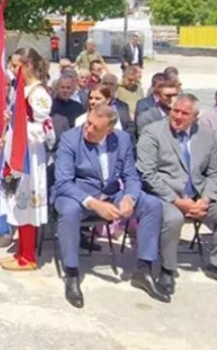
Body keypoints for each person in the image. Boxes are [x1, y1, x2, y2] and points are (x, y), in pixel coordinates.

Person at [53, 105, 168, 308]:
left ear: (109, 129)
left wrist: (129, 198)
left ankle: (144, 269)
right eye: (88, 123)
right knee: (69, 211)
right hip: (78, 194)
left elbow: (131, 176)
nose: (88, 129)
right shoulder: (71, 139)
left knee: (152, 204)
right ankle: (71, 273)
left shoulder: (121, 139)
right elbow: (64, 182)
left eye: (95, 128)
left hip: (112, 193)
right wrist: (94, 204)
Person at [137, 94, 217, 293]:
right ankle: (167, 269)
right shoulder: (152, 132)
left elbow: (214, 172)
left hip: (197, 194)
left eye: (184, 113)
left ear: (195, 116)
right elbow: (147, 174)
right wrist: (177, 201)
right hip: (164, 195)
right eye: (175, 111)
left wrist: (205, 199)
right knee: (173, 219)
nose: (177, 116)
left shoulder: (206, 135)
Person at [0, 47, 53, 272]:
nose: (14, 70)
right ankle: (20, 251)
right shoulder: (22, 89)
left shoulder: (38, 93)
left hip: (29, 155)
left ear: (27, 65)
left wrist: (20, 124)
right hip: (16, 152)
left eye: (17, 65)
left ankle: (28, 256)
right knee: (16, 200)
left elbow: (44, 128)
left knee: (26, 202)